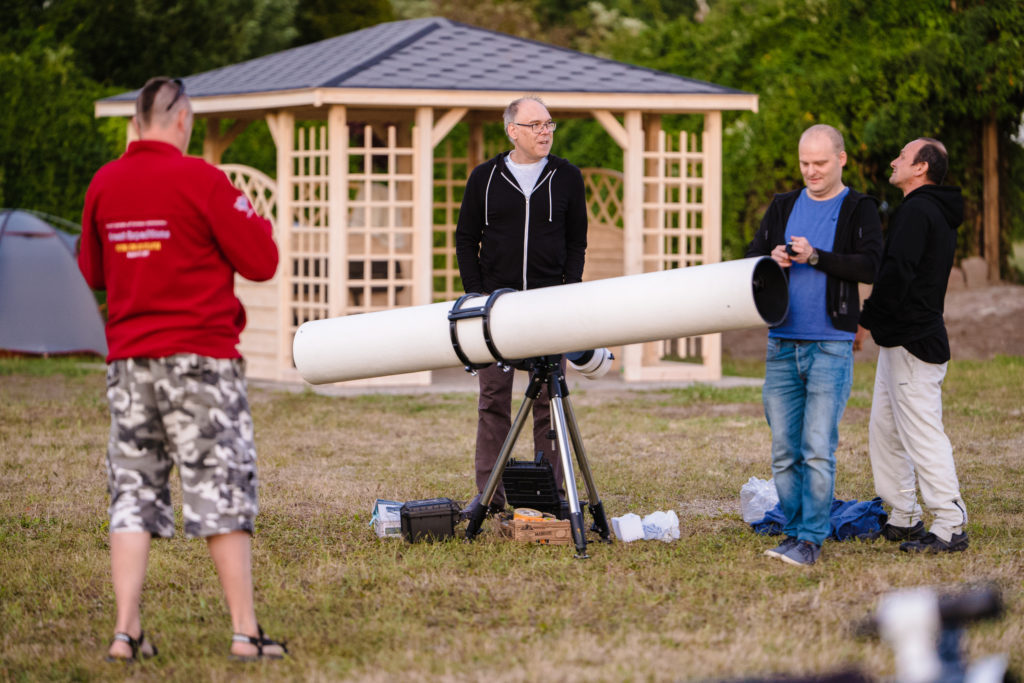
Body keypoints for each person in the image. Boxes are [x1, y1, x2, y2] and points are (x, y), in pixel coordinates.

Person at [78, 76, 287, 662]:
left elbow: (93, 271)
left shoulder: (104, 183)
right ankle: (244, 633)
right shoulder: (204, 180)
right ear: (182, 120)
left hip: (129, 362)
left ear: (135, 122)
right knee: (221, 487)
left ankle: (125, 632)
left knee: (132, 490)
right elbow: (262, 260)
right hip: (201, 361)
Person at [746, 124, 883, 567]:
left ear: (841, 159)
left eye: (820, 163)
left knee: (817, 448)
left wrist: (816, 256)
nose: (811, 171)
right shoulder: (783, 205)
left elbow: (871, 266)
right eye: (805, 163)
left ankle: (810, 539)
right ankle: (793, 531)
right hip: (781, 342)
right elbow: (749, 259)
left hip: (831, 344)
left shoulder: (859, 207)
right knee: (784, 450)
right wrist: (770, 259)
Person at [454, 96, 588, 519]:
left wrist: (567, 293)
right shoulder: (485, 178)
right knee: (493, 401)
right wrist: (477, 297)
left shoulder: (567, 177)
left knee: (550, 403)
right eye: (535, 125)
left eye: (549, 124)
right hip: (496, 310)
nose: (545, 131)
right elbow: (465, 239)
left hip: (548, 308)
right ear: (512, 130)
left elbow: (576, 242)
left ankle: (549, 497)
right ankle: (489, 499)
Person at [859, 138, 968, 553]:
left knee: (922, 434)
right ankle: (904, 516)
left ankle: (950, 524)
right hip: (899, 342)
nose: (894, 161)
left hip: (915, 343)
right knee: (885, 430)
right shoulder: (925, 210)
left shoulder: (919, 210)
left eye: (902, 157)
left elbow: (896, 273)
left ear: (921, 167)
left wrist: (864, 320)